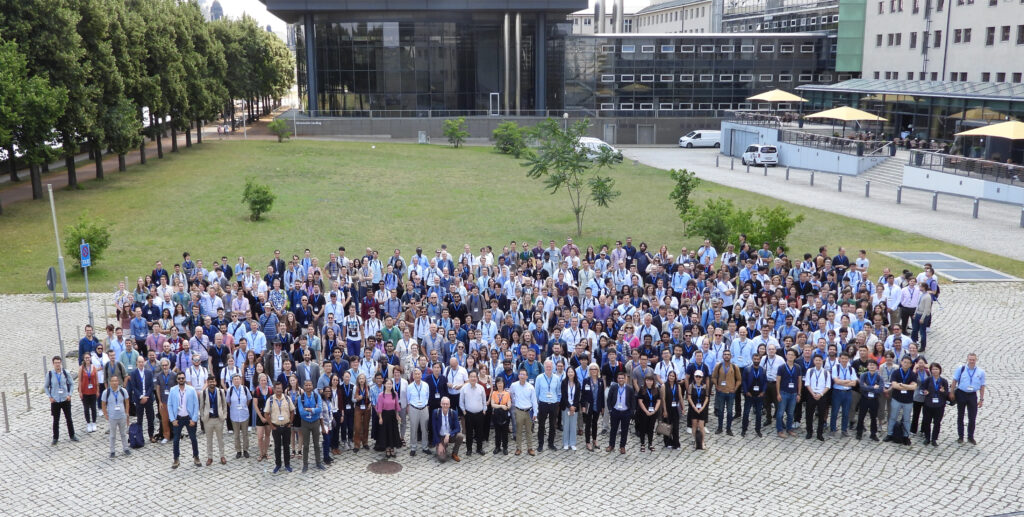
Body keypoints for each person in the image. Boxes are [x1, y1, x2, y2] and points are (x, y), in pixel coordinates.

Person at [949, 352, 985, 445]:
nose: (972, 361)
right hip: (961, 393)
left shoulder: (981, 372)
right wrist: (951, 392)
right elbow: (954, 381)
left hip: (972, 395)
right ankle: (960, 436)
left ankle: (970, 437)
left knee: (972, 417)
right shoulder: (961, 369)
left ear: (976, 360)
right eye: (970, 359)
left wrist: (981, 399)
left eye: (973, 360)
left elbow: (982, 386)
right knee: (960, 415)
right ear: (967, 359)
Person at [167, 372, 201, 468]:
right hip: (178, 418)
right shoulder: (173, 390)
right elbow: (169, 405)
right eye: (179, 378)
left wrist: (194, 419)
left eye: (182, 378)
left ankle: (196, 456)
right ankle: (176, 458)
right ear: (177, 380)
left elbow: (196, 404)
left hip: (189, 417)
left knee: (193, 438)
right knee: (176, 440)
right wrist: (172, 419)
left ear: (185, 379)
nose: (181, 380)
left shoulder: (191, 389)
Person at [45, 356, 78, 445]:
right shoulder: (50, 374)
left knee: (69, 418)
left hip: (65, 399)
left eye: (59, 362)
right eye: (56, 363)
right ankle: (55, 438)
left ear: (61, 363)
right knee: (56, 420)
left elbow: (72, 383)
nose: (57, 364)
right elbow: (46, 387)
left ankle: (72, 435)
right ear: (53, 364)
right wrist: (50, 397)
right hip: (55, 400)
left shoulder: (65, 373)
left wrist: (69, 394)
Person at [884, 356, 917, 445]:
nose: (906, 364)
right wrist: (907, 386)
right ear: (901, 362)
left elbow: (914, 387)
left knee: (906, 419)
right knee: (893, 417)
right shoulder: (896, 372)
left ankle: (906, 436)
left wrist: (902, 385)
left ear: (910, 365)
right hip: (896, 399)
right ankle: (890, 434)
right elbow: (894, 385)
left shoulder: (913, 374)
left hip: (908, 401)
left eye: (908, 363)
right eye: (904, 362)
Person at [265, 381, 295, 473]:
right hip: (276, 427)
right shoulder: (270, 400)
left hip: (286, 426)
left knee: (286, 446)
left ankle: (287, 464)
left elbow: (292, 411)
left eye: (280, 388)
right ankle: (278, 464)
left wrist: (290, 423)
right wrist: (271, 425)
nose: (279, 390)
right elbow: (266, 414)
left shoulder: (287, 398)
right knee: (277, 447)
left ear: (282, 389)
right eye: (277, 388)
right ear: (274, 389)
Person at [711, 350, 741, 436]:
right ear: (722, 356)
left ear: (731, 356)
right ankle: (720, 428)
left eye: (728, 354)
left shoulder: (735, 367)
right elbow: (713, 377)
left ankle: (729, 429)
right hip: (721, 392)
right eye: (725, 354)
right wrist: (716, 386)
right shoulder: (719, 366)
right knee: (720, 411)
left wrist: (735, 388)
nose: (726, 356)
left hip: (730, 393)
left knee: (730, 411)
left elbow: (739, 380)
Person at [298, 379, 325, 471]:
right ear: (304, 386)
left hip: (315, 422)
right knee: (306, 445)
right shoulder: (300, 398)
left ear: (312, 386)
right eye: (306, 385)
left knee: (316, 444)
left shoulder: (317, 396)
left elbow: (320, 409)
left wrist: (309, 409)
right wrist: (314, 410)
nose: (308, 387)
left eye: (310, 385)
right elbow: (301, 412)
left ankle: (318, 463)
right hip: (305, 423)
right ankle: (305, 464)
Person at [534, 360, 561, 452]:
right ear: (544, 367)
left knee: (553, 425)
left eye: (550, 366)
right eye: (547, 366)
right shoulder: (539, 378)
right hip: (543, 403)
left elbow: (558, 391)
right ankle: (540, 444)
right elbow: (536, 392)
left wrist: (557, 402)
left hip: (553, 404)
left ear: (553, 367)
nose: (548, 368)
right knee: (541, 425)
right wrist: (537, 404)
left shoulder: (556, 378)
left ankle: (551, 443)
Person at [509, 369, 538, 456]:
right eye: (520, 374)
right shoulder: (514, 385)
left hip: (529, 411)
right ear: (518, 376)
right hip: (519, 411)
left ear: (527, 376)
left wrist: (535, 413)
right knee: (518, 431)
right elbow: (511, 395)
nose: (522, 376)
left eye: (524, 374)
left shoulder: (530, 387)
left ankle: (530, 448)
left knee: (529, 431)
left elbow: (534, 400)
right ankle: (518, 448)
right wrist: (515, 404)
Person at [606, 370, 635, 455]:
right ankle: (611, 445)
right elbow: (609, 399)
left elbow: (633, 401)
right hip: (615, 411)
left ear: (625, 379)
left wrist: (631, 412)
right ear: (617, 379)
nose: (621, 379)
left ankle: (622, 446)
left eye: (622, 378)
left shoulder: (629, 388)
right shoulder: (613, 387)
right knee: (613, 429)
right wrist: (610, 410)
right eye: (619, 378)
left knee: (624, 430)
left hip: (626, 412)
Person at [101, 375, 130, 458]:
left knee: (123, 433)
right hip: (112, 417)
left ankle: (126, 448)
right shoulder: (106, 392)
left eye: (116, 381)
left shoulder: (123, 391)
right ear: (110, 382)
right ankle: (112, 451)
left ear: (118, 382)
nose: (114, 383)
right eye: (112, 381)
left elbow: (127, 402)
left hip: (122, 416)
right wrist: (105, 414)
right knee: (112, 435)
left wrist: (127, 412)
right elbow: (103, 404)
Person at [127, 356, 155, 443]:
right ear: (136, 363)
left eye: (142, 362)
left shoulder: (149, 372)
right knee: (140, 419)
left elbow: (151, 386)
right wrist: (141, 397)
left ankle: (151, 435)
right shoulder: (133, 373)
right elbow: (133, 387)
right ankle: (140, 436)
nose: (141, 363)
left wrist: (146, 396)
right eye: (139, 362)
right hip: (139, 400)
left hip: (148, 399)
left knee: (150, 418)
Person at [459, 371, 488, 455]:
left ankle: (479, 449)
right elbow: (461, 402)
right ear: (468, 378)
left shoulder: (481, 388)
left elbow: (484, 401)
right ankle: (469, 450)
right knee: (469, 433)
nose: (473, 378)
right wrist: (464, 411)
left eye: (474, 376)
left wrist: (484, 410)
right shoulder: (464, 388)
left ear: (477, 378)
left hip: (480, 414)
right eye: (471, 376)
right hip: (468, 414)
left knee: (479, 433)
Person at [775, 349, 802, 438]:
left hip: (793, 393)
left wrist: (799, 394)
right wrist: (778, 393)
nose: (790, 356)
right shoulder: (781, 367)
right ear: (786, 356)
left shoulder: (797, 367)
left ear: (795, 357)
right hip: (783, 392)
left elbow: (799, 381)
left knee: (791, 413)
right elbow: (778, 381)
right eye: (789, 354)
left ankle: (789, 429)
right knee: (780, 413)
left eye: (792, 355)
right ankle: (779, 430)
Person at [920, 362, 949, 446]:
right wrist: (924, 392)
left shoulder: (943, 381)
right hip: (928, 404)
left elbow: (947, 394)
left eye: (936, 369)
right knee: (927, 421)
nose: (935, 371)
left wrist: (943, 392)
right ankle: (927, 438)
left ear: (940, 370)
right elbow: (922, 389)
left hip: (939, 405)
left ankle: (934, 439)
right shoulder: (928, 380)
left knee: (937, 422)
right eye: (933, 369)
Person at [803, 355, 831, 441]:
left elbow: (828, 385)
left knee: (822, 415)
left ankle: (820, 433)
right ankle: (809, 431)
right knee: (809, 414)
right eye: (816, 360)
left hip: (822, 396)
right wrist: (813, 394)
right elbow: (807, 383)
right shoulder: (810, 371)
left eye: (819, 360)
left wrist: (820, 394)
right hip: (811, 395)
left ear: (822, 362)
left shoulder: (826, 372)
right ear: (814, 361)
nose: (818, 362)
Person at [829, 353, 857, 437]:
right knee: (834, 412)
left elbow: (854, 383)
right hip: (837, 392)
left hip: (848, 393)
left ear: (848, 359)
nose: (844, 360)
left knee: (846, 412)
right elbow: (836, 381)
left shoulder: (851, 369)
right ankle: (833, 429)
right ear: (839, 359)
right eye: (842, 358)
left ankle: (844, 430)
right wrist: (848, 381)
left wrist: (842, 381)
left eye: (846, 358)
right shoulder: (835, 368)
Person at [856, 360, 884, 441]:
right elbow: (862, 387)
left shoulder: (879, 377)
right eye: (870, 365)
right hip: (864, 399)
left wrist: (867, 387)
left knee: (873, 417)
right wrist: (873, 387)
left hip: (874, 399)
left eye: (873, 365)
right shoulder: (863, 375)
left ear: (876, 367)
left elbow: (880, 389)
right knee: (861, 416)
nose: (872, 366)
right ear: (867, 367)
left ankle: (873, 434)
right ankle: (859, 432)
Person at [741, 353, 767, 438]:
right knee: (746, 413)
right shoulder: (747, 369)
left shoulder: (763, 370)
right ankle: (744, 429)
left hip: (759, 395)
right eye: (755, 359)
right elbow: (744, 381)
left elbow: (765, 382)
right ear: (752, 359)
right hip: (749, 394)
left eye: (757, 359)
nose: (756, 361)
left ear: (760, 360)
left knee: (759, 413)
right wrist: (746, 391)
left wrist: (763, 392)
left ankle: (758, 429)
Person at [406, 368, 430, 456]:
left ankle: (425, 447)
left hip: (424, 408)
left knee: (425, 429)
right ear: (413, 376)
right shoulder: (409, 387)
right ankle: (413, 447)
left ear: (421, 375)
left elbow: (427, 396)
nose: (417, 376)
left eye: (419, 374)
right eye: (415, 374)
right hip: (414, 409)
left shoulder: (426, 385)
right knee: (413, 428)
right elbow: (408, 399)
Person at [227, 374, 252, 458]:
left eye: (238, 379)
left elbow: (249, 399)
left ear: (240, 380)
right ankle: (238, 451)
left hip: (244, 414)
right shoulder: (230, 390)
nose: (236, 381)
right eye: (235, 379)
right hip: (234, 415)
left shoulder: (245, 389)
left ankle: (245, 450)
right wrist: (233, 407)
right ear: (232, 381)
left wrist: (244, 407)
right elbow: (228, 401)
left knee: (245, 434)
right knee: (236, 435)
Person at [581, 363, 605, 452]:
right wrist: (583, 406)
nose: (593, 371)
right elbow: (583, 395)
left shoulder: (601, 381)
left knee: (595, 423)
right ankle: (588, 442)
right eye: (591, 369)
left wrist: (602, 407)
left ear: (598, 370)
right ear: (589, 371)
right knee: (588, 424)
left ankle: (594, 440)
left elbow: (602, 395)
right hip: (588, 405)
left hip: (597, 405)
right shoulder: (586, 381)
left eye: (595, 369)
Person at [375, 378, 401, 459]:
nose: (389, 385)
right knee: (385, 432)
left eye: (390, 384)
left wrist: (397, 415)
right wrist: (380, 418)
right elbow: (379, 407)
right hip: (384, 415)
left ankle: (392, 448)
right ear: (384, 385)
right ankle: (387, 448)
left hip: (392, 415)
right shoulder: (381, 395)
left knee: (393, 432)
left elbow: (396, 406)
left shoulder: (395, 394)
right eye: (388, 384)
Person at [432, 396, 464, 462]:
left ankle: (454, 453)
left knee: (460, 436)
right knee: (442, 459)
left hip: (449, 436)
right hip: (440, 437)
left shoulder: (453, 413)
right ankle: (442, 447)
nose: (445, 405)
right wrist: (439, 443)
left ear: (449, 405)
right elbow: (434, 429)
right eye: (443, 404)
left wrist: (449, 434)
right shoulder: (436, 412)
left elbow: (458, 428)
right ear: (441, 404)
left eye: (447, 404)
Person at [635, 374, 661, 452]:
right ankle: (642, 444)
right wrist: (646, 411)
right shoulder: (642, 389)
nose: (649, 382)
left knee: (651, 428)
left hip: (653, 412)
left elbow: (658, 401)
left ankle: (650, 443)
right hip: (643, 412)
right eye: (647, 380)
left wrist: (655, 410)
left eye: (651, 380)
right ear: (645, 381)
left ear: (653, 381)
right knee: (642, 428)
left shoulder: (656, 389)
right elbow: (640, 401)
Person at [559, 366, 581, 451]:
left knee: (573, 425)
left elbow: (577, 397)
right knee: (566, 425)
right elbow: (563, 396)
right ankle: (565, 443)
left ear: (574, 373)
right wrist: (569, 406)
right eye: (569, 372)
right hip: (566, 406)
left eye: (572, 372)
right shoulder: (564, 383)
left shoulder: (578, 383)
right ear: (567, 373)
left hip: (574, 407)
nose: (570, 373)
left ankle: (572, 443)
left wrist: (574, 406)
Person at [490, 376, 512, 455]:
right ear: (496, 384)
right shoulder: (494, 393)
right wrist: (501, 406)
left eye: (501, 383)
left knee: (505, 432)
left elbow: (509, 404)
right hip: (497, 414)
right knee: (497, 432)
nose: (500, 384)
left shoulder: (507, 393)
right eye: (498, 383)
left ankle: (505, 447)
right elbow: (492, 404)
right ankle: (497, 447)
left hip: (504, 414)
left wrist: (507, 406)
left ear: (503, 384)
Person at [688, 370, 709, 450]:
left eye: (699, 377)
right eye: (697, 376)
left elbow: (707, 398)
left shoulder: (705, 386)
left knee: (701, 426)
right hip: (694, 408)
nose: (698, 378)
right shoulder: (691, 386)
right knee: (694, 425)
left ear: (702, 378)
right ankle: (696, 441)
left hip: (702, 408)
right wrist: (694, 407)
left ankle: (702, 442)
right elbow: (689, 397)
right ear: (694, 377)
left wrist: (702, 407)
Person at [78, 356, 99, 434]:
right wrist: (80, 391)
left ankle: (94, 422)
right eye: (86, 358)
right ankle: (88, 423)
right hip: (85, 391)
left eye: (88, 357)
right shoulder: (81, 368)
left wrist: (97, 390)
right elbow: (79, 381)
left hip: (93, 391)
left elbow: (96, 380)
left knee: (93, 408)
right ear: (84, 359)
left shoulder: (93, 367)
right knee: (86, 409)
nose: (87, 359)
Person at [352, 373, 371, 452]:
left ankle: (365, 443)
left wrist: (370, 403)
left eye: (363, 378)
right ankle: (357, 445)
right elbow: (352, 399)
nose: (361, 380)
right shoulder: (355, 387)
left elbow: (370, 397)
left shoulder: (368, 387)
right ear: (358, 380)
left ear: (365, 380)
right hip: (358, 408)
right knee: (357, 427)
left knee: (366, 426)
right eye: (360, 379)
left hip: (366, 407)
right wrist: (357, 399)